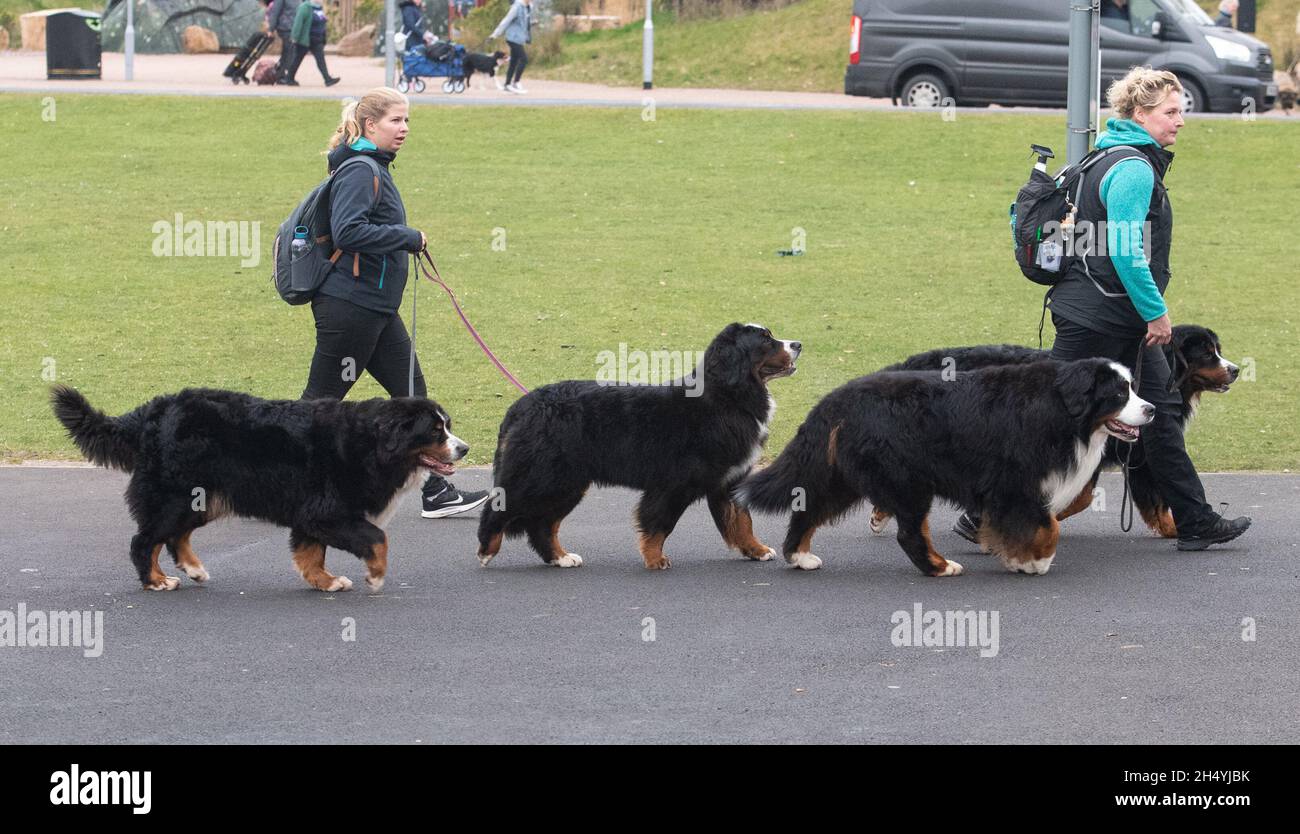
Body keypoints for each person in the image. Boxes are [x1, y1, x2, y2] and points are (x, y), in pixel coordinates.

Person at [964, 67, 1249, 550]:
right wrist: (1155, 312)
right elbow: (1125, 249)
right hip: (1102, 318)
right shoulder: (1133, 168)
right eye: (1170, 112)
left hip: (1101, 311)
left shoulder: (1103, 155)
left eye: (1181, 111)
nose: (1179, 121)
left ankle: (1196, 519)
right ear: (1140, 113)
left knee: (1161, 410)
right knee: (1050, 417)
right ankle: (984, 514)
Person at [304, 88, 490, 519]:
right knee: (317, 405)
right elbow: (349, 231)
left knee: (413, 397)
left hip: (376, 308)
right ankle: (267, 478)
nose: (404, 128)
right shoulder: (359, 170)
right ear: (370, 125)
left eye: (407, 121)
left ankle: (437, 490)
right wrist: (407, 237)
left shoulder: (372, 166)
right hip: (351, 307)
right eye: (395, 121)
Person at [286, 0, 340, 87]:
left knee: (320, 59)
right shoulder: (304, 7)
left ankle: (327, 79)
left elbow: (321, 20)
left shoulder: (319, 8)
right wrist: (294, 37)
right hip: (305, 39)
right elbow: (298, 22)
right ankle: (289, 78)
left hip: (316, 39)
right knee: (297, 59)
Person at [491, 0, 532, 94]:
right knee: (524, 59)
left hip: (519, 39)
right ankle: (515, 82)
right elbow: (506, 21)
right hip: (512, 38)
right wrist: (495, 34)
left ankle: (507, 85)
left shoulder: (528, 7)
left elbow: (524, 24)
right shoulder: (516, 7)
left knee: (514, 61)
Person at [266, 0, 302, 83]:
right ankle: (282, 76)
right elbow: (275, 12)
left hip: (294, 28)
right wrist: (271, 29)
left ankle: (280, 73)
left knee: (288, 52)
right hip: (285, 27)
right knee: (289, 51)